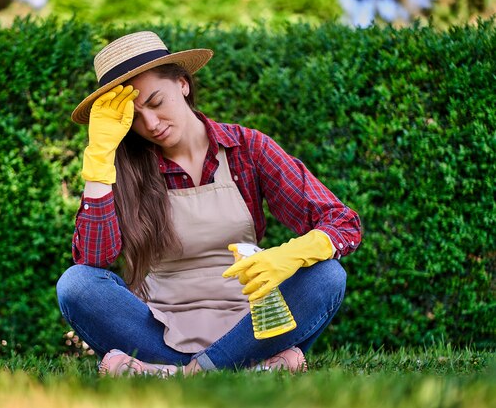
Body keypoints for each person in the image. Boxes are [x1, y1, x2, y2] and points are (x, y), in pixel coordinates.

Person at [56, 31, 361, 377]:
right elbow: (93, 262)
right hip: (158, 330)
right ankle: (244, 372)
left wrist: (292, 254)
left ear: (183, 84)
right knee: (75, 284)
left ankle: (172, 375)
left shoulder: (247, 149)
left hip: (249, 328)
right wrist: (99, 158)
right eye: (134, 117)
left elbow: (343, 223)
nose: (151, 124)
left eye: (156, 102)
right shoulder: (121, 169)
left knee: (327, 276)